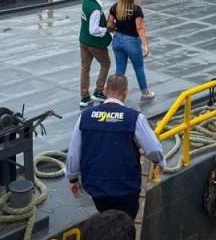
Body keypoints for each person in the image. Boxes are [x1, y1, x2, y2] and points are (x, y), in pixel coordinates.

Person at [67, 74, 167, 220]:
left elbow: (74, 151)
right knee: (125, 222)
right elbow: (153, 148)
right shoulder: (134, 118)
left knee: (105, 216)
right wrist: (160, 161)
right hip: (125, 187)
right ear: (126, 92)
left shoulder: (86, 116)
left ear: (105, 90)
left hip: (96, 187)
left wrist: (72, 178)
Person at [79, 0, 128, 108]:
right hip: (94, 43)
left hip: (83, 41)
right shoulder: (95, 10)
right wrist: (108, 29)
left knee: (85, 68)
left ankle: (84, 97)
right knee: (105, 63)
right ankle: (99, 91)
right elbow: (93, 30)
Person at [107, 0, 155, 102]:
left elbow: (109, 23)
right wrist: (145, 45)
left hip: (117, 40)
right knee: (138, 67)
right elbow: (139, 28)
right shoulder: (136, 9)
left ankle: (116, 95)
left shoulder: (115, 7)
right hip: (132, 41)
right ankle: (145, 93)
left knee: (120, 70)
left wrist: (116, 31)